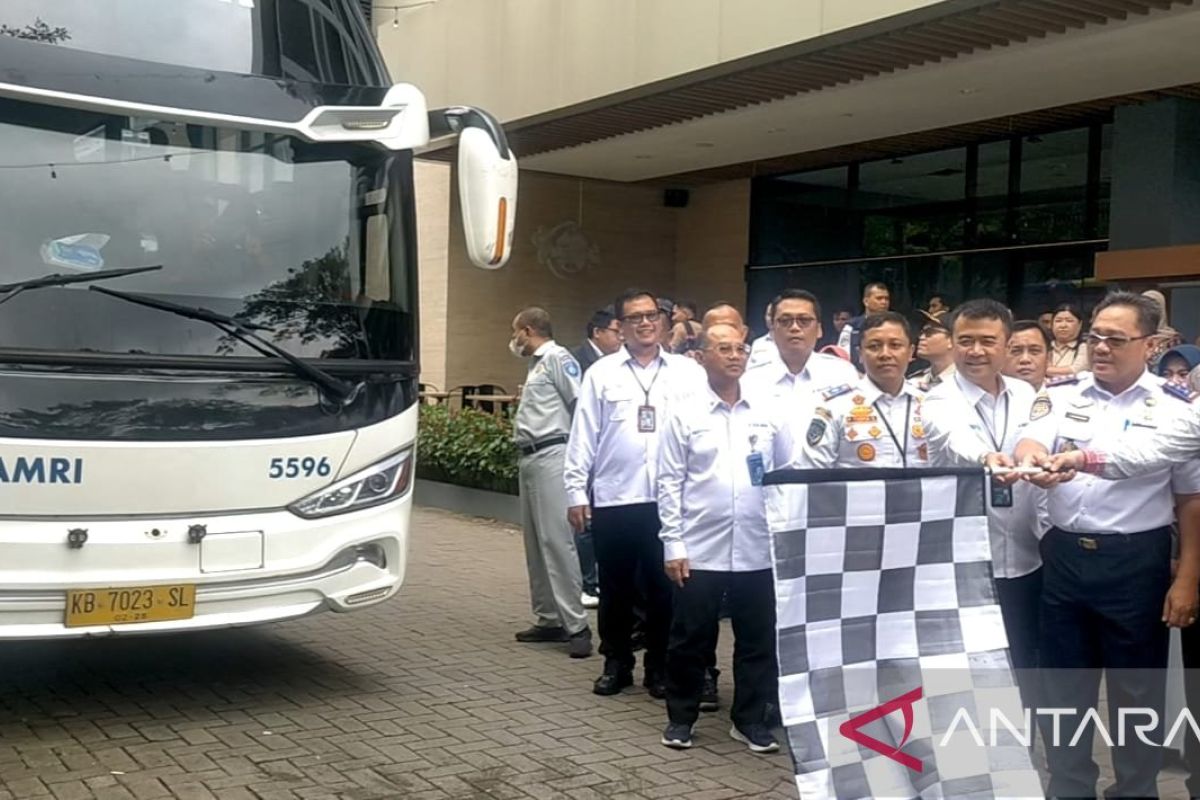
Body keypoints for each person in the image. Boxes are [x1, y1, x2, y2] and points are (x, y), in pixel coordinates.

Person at [1010, 291, 1200, 800]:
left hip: (1136, 563)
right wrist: (1032, 460)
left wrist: (1186, 579)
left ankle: (1136, 789)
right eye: (1096, 335)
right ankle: (1069, 787)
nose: (1101, 347)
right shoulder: (1064, 393)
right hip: (1066, 557)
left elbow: (1190, 501)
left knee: (1136, 692)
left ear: (1151, 343)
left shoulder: (1175, 407)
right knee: (1063, 688)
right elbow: (1031, 438)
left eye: (1116, 339)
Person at [565, 288, 700, 698]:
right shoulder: (601, 374)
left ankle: (658, 667)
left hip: (670, 501)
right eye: (634, 318)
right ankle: (616, 662)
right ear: (620, 327)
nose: (644, 323)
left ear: (662, 321)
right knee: (616, 589)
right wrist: (576, 491)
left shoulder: (686, 372)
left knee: (664, 590)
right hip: (616, 497)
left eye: (651, 315)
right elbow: (583, 434)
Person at [656, 323, 779, 754]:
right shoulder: (684, 413)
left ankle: (748, 720)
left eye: (740, 348)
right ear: (702, 356)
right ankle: (681, 718)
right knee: (690, 637)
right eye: (722, 348)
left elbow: (781, 477)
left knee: (757, 638)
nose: (734, 355)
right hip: (699, 547)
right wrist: (674, 543)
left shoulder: (764, 410)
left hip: (757, 546)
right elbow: (669, 481)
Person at [920, 300, 1046, 712]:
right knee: (968, 668)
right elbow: (952, 435)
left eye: (988, 341)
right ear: (953, 344)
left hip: (1026, 556)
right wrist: (987, 457)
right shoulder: (938, 399)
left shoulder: (1027, 394)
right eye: (966, 341)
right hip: (964, 558)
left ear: (1007, 344)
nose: (976, 351)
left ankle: (1022, 752)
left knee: (1025, 661)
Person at [509, 307, 593, 659]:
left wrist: (580, 461)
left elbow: (582, 405)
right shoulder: (536, 364)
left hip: (552, 455)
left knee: (556, 541)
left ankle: (577, 625)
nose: (513, 340)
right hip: (530, 456)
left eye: (515, 333)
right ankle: (548, 618)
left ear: (527, 331)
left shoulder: (558, 358)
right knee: (535, 541)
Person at [794, 312, 928, 468]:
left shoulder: (931, 402)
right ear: (860, 355)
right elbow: (812, 471)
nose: (885, 354)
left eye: (895, 345)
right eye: (874, 346)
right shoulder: (833, 405)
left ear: (911, 352)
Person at [745, 289, 859, 408]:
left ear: (819, 329)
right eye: (785, 321)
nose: (795, 327)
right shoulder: (751, 379)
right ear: (772, 329)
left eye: (804, 320)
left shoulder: (842, 373)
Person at [838, 282, 891, 367]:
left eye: (886, 299)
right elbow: (842, 357)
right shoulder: (852, 327)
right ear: (866, 301)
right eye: (879, 298)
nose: (884, 302)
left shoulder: (894, 326)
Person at [907, 318, 955, 392]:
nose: (921, 337)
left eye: (930, 333)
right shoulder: (914, 381)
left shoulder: (968, 382)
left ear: (952, 341)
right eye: (921, 332)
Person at [1004, 319, 1051, 391]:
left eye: (1034, 351)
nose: (1025, 359)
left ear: (1048, 358)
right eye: (1016, 351)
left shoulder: (1065, 396)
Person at [574, 308, 622, 374]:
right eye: (616, 332)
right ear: (597, 332)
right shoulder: (574, 359)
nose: (622, 337)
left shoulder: (620, 359)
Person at [1047, 303, 1088, 378]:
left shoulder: (1085, 348)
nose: (1063, 325)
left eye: (1069, 321)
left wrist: (1045, 370)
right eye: (1058, 321)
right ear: (1052, 324)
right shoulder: (1044, 346)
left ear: (1080, 325)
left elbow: (1076, 370)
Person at [747, 301, 778, 369]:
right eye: (769, 315)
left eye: (774, 315)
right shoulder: (756, 343)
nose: (770, 319)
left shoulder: (792, 343)